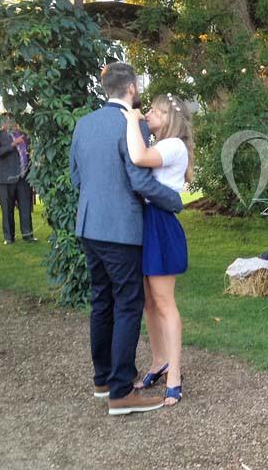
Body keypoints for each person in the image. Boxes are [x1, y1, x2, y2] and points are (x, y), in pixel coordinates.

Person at [69, 62, 183, 415]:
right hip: (121, 229)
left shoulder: (84, 124)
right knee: (128, 303)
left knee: (101, 300)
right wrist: (174, 200)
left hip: (88, 225)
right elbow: (140, 180)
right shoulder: (133, 125)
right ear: (131, 88)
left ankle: (102, 380)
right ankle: (121, 391)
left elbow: (76, 177)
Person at [121, 93, 192, 407]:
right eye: (147, 110)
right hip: (148, 220)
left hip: (160, 223)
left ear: (169, 118)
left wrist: (130, 118)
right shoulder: (163, 144)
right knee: (149, 303)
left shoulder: (173, 145)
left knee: (164, 302)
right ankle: (159, 361)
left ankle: (174, 374)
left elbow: (138, 157)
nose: (147, 114)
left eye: (154, 111)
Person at [0, 113, 36, 245]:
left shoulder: (24, 135)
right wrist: (13, 144)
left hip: (23, 178)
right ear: (2, 123)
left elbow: (30, 153)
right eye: (7, 121)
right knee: (7, 210)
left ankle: (28, 235)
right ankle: (9, 238)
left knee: (26, 208)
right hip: (5, 179)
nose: (11, 123)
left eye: (13, 121)